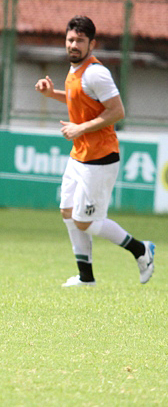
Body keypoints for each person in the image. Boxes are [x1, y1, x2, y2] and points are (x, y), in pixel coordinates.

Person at [35, 15, 155, 287]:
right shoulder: (74, 69)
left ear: (92, 43)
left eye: (79, 40)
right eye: (70, 39)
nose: (73, 45)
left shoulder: (96, 72)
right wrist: (52, 93)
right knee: (67, 211)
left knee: (86, 221)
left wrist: (80, 129)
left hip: (100, 158)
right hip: (79, 155)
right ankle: (85, 277)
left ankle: (141, 250)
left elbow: (117, 112)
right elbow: (81, 99)